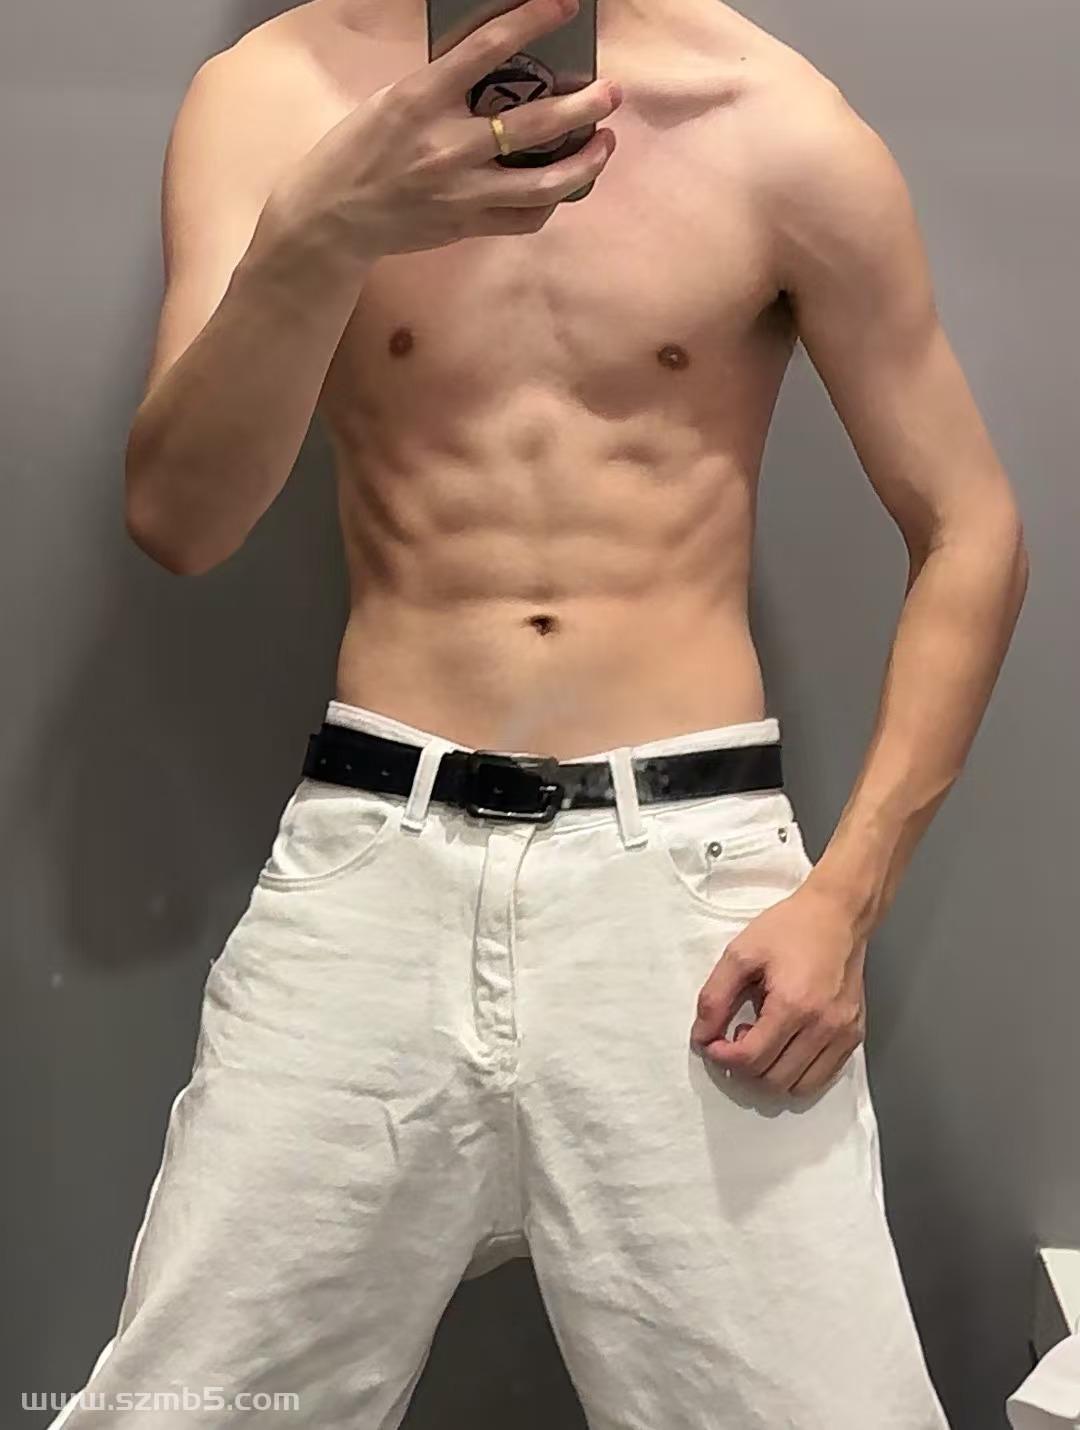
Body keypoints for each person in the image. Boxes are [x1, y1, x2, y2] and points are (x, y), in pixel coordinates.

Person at [54, 0, 1027, 1424]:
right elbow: (181, 522)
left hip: (691, 890)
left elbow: (971, 527)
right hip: (373, 865)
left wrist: (847, 897)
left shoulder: (768, 117)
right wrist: (327, 226)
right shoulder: (273, 101)